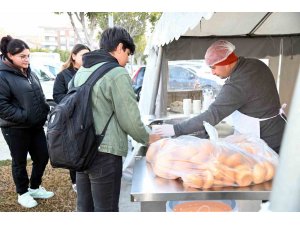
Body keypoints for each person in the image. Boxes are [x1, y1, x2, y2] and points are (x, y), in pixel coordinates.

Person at [72, 26, 160, 212]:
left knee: (85, 208)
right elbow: (130, 119)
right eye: (127, 53)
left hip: (80, 149)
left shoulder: (82, 71)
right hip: (105, 153)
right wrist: (149, 138)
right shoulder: (117, 73)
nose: (128, 60)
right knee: (107, 210)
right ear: (120, 47)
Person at [153, 40, 286, 154]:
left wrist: (176, 129)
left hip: (266, 142)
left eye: (214, 67)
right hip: (279, 133)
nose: (212, 72)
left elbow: (212, 115)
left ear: (226, 62)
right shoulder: (255, 64)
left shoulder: (237, 84)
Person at [0, 35, 54, 208]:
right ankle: (22, 193)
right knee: (19, 161)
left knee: (43, 156)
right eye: (22, 56)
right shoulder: (2, 75)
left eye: (28, 55)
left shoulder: (29, 72)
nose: (27, 59)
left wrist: (44, 109)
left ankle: (34, 187)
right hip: (15, 128)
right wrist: (25, 116)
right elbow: (2, 106)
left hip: (35, 126)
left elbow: (38, 95)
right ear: (10, 55)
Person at [53, 43, 90, 193]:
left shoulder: (89, 72)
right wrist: (72, 101)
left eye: (88, 55)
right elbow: (57, 95)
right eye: (83, 55)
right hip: (70, 117)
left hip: (86, 116)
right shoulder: (63, 75)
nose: (86, 58)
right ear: (73, 56)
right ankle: (75, 180)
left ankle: (85, 175)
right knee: (73, 149)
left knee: (86, 146)